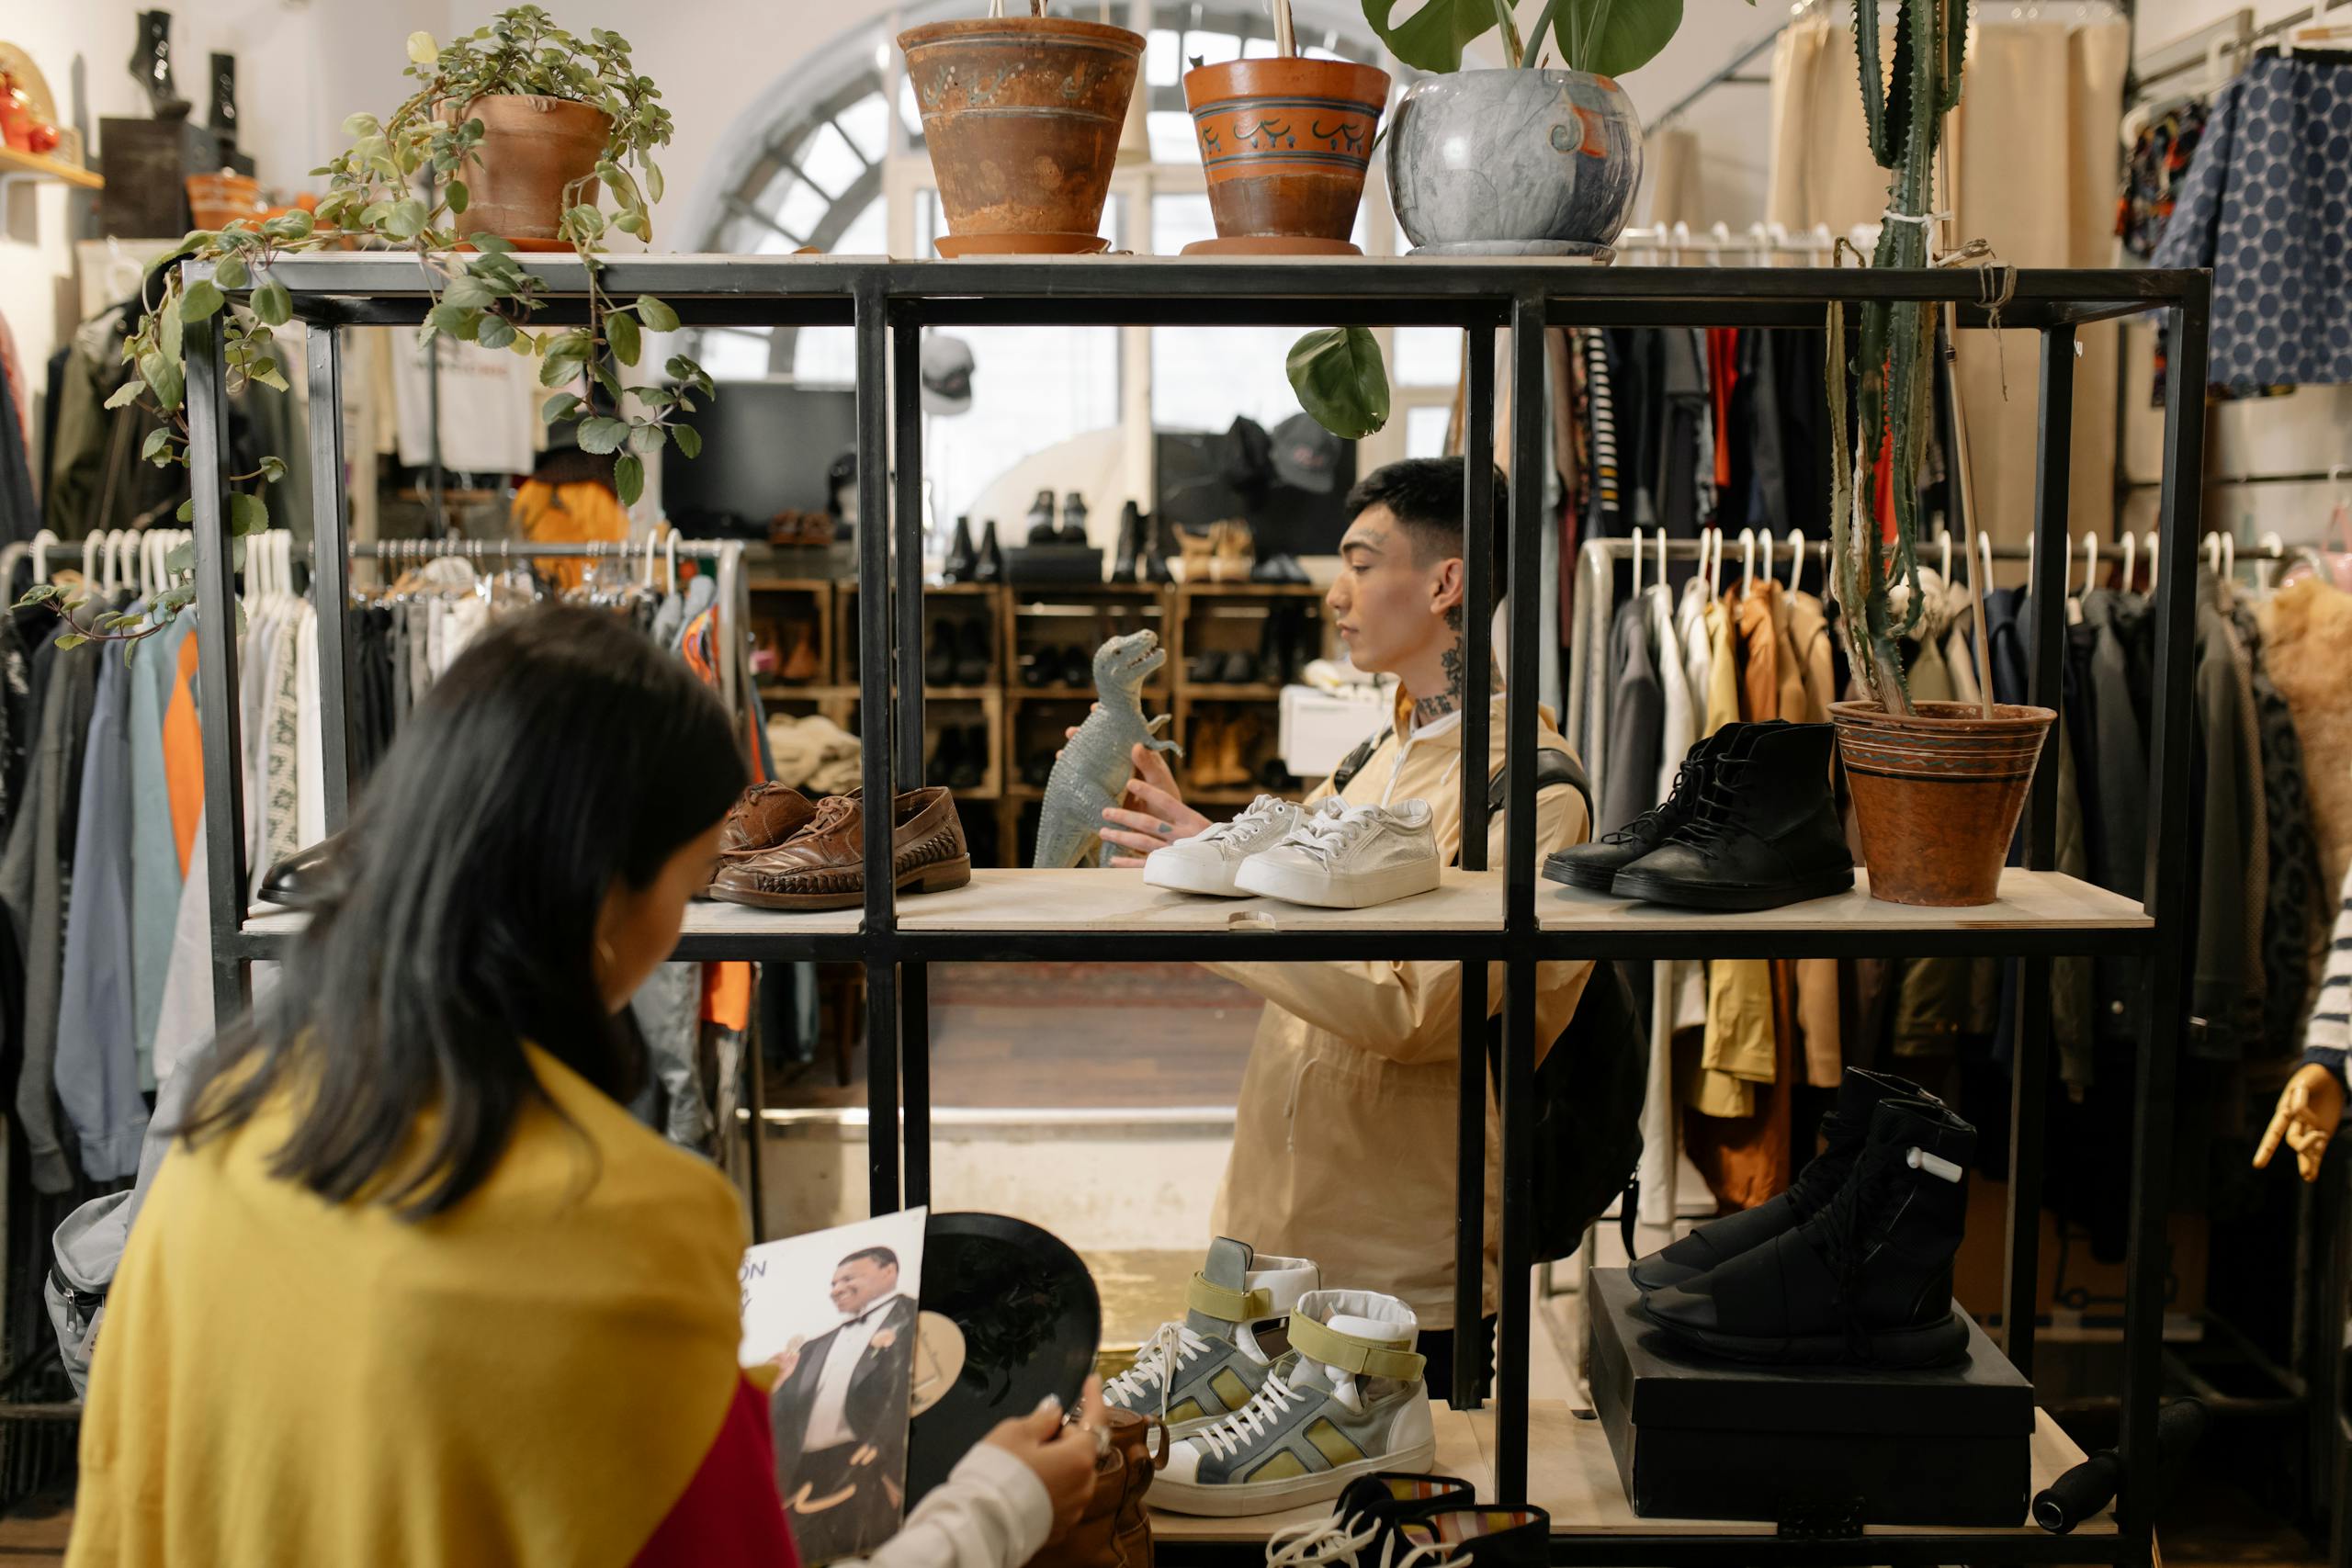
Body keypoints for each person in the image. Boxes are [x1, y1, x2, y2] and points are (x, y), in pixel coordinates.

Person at [67, 606, 1103, 1568]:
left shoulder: (223, 1110)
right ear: (606, 890)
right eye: (695, 874)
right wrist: (998, 1505)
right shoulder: (623, 1218)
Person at [1094, 458, 1595, 1396]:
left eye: (1361, 564)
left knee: (1385, 1509)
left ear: (1446, 583)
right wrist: (1203, 839)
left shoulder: (1526, 794)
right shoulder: (1375, 754)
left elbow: (1416, 1012)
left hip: (1403, 1263)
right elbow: (1292, 885)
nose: (1337, 595)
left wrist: (1218, 917)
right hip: (1278, 1223)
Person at [768, 1247, 922, 1555]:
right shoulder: (814, 1346)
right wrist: (774, 1384)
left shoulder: (915, 1317)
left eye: (848, 1278)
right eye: (833, 1284)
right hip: (805, 1471)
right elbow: (785, 1412)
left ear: (888, 1271)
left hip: (869, 1463)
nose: (836, 1289)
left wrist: (882, 1441)